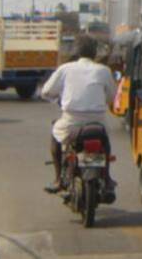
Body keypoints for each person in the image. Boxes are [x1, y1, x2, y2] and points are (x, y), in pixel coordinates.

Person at [40, 35, 117, 195]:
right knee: (105, 142)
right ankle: (107, 177)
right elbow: (112, 97)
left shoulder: (65, 69)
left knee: (55, 135)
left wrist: (56, 99)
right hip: (98, 123)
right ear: (95, 52)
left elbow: (46, 91)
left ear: (76, 51)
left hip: (71, 123)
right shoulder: (104, 70)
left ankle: (58, 179)